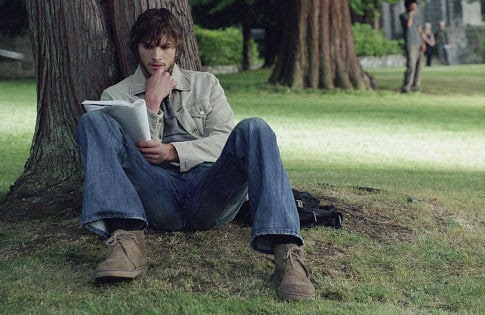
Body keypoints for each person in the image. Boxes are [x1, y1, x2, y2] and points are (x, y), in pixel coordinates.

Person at [76, 8, 315, 301]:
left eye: (165, 47)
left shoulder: (207, 84)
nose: (156, 56)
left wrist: (174, 151)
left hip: (209, 193)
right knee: (93, 122)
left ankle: (287, 255)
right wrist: (151, 101)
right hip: (155, 196)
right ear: (136, 48)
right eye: (147, 46)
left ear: (177, 47)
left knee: (255, 128)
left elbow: (224, 140)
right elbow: (126, 160)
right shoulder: (116, 95)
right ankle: (126, 242)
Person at [400, 0, 423, 93]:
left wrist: (423, 43)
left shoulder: (417, 16)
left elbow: (420, 30)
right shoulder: (403, 16)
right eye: (414, 4)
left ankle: (416, 86)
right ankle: (406, 86)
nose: (415, 6)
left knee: (419, 66)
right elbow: (408, 25)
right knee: (411, 65)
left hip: (418, 42)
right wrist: (411, 15)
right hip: (410, 43)